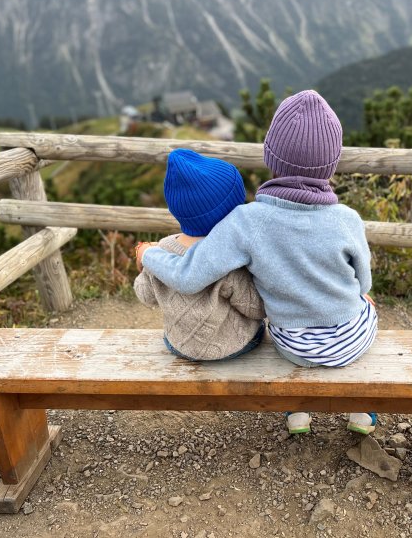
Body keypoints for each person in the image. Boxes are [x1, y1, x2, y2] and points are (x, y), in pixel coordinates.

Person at [142, 90, 379, 435]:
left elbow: (190, 277)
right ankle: (361, 412)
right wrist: (361, 298)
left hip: (294, 345)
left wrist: (149, 254)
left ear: (270, 155)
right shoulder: (347, 219)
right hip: (353, 337)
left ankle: (296, 413)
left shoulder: (246, 221)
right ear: (332, 162)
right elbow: (365, 283)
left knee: (281, 329)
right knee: (366, 304)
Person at [134, 149, 266, 361]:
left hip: (178, 344)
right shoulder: (227, 257)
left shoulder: (161, 250)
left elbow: (145, 295)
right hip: (234, 345)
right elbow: (256, 308)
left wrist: (144, 263)